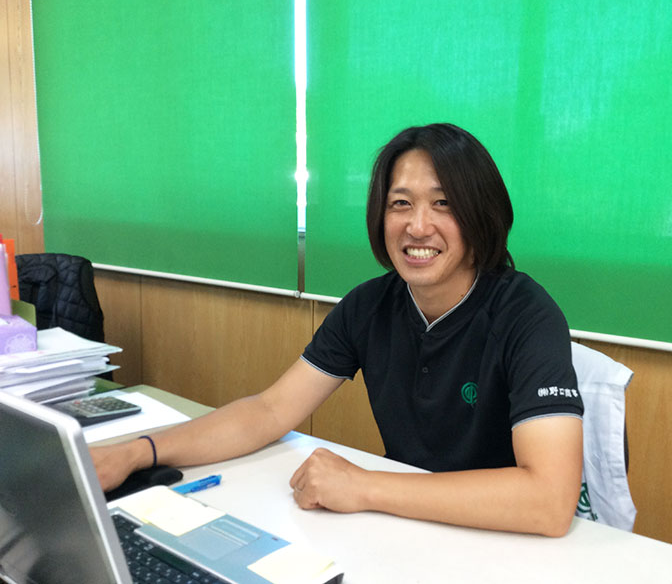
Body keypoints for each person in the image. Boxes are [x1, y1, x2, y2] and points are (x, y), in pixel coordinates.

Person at [91, 123, 583, 537]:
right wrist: (138, 452)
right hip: (404, 527)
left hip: (502, 540)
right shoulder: (369, 306)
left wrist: (363, 485)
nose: (417, 226)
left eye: (444, 204)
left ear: (481, 215)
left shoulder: (527, 314)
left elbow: (549, 501)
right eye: (400, 203)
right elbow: (269, 410)